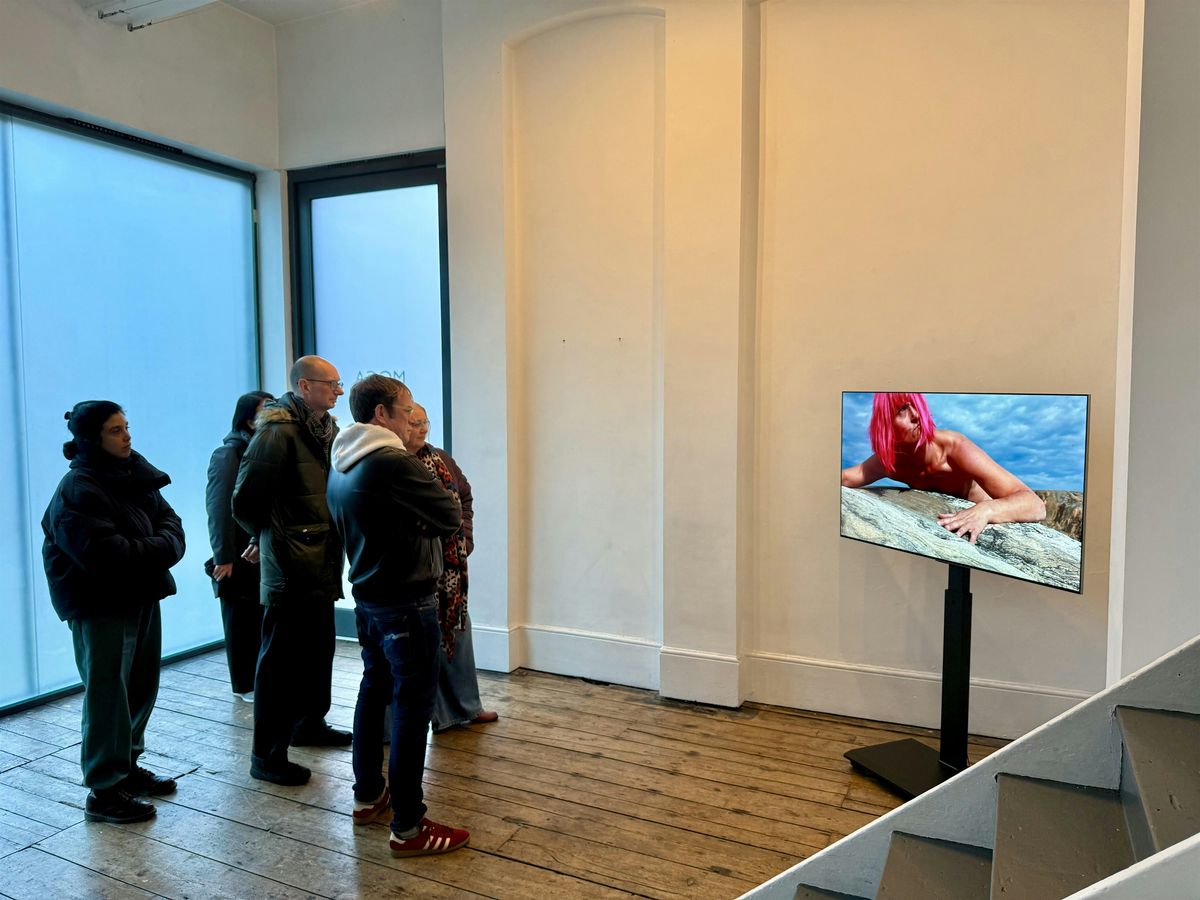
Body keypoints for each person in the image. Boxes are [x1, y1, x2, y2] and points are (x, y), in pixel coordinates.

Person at [326, 375, 469, 857]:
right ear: (381, 414)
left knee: (374, 691)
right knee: (411, 707)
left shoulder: (342, 459)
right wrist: (421, 518)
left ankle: (368, 796)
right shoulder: (391, 461)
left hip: (369, 597)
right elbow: (449, 514)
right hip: (407, 601)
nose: (412, 420)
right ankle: (408, 827)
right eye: (406, 410)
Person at [41, 401, 185, 823]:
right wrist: (160, 548)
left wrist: (158, 546)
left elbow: (171, 522)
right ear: (92, 438)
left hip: (141, 592)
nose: (127, 437)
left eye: (127, 427)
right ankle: (104, 790)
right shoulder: (78, 488)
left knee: (140, 685)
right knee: (108, 693)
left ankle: (127, 765)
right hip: (100, 602)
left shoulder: (132, 471)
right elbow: (105, 554)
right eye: (115, 430)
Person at [232, 356, 348, 786]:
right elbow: (245, 501)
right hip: (289, 563)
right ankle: (267, 756)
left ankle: (308, 725)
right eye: (331, 383)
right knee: (280, 663)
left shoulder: (326, 430)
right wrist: (269, 536)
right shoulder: (277, 433)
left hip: (322, 558)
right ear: (304, 386)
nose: (339, 391)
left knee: (318, 650)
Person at [840, 392, 1046, 544]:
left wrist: (986, 509)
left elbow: (1035, 505)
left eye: (915, 405)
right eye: (902, 409)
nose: (916, 415)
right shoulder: (891, 461)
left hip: (988, 519)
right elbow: (846, 478)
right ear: (885, 423)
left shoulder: (955, 447)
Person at [406, 403, 498, 733]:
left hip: (450, 571)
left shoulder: (441, 459)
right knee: (409, 653)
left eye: (425, 422)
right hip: (414, 571)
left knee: (457, 629)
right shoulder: (391, 463)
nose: (422, 429)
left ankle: (462, 708)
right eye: (414, 423)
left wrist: (464, 538)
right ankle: (395, 728)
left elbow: (465, 497)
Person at [205, 390, 274, 701]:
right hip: (237, 551)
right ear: (248, 419)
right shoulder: (229, 453)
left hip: (257, 547)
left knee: (256, 618)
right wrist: (223, 556)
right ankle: (245, 685)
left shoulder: (262, 449)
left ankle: (258, 680)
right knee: (240, 620)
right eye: (266, 409)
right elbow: (218, 507)